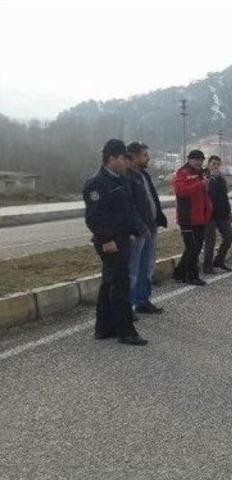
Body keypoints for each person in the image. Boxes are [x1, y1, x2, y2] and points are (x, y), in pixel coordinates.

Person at [82, 139, 148, 346]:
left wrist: (130, 231)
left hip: (122, 238)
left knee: (109, 283)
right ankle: (126, 331)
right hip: (110, 242)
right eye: (122, 158)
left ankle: (103, 328)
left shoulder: (121, 180)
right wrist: (107, 240)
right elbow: (94, 217)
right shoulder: (96, 184)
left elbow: (126, 210)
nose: (124, 162)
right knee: (120, 285)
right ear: (111, 158)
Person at [126, 142, 167, 314]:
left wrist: (159, 216)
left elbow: (152, 198)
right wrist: (138, 227)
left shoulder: (144, 175)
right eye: (144, 155)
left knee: (147, 267)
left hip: (150, 227)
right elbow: (130, 207)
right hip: (137, 231)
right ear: (134, 156)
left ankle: (142, 301)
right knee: (132, 270)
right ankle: (126, 308)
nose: (148, 158)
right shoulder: (127, 177)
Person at [171, 149, 212, 286]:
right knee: (192, 248)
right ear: (189, 159)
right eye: (195, 159)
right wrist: (200, 184)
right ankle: (192, 276)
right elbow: (180, 191)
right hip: (187, 218)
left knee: (195, 247)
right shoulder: (182, 173)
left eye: (201, 159)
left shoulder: (201, 173)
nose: (199, 162)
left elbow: (205, 195)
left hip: (200, 217)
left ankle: (179, 273)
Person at [202, 155, 232, 274]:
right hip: (209, 215)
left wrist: (229, 211)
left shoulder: (221, 179)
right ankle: (207, 266)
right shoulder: (204, 177)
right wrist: (211, 180)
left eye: (217, 164)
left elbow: (225, 197)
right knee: (210, 241)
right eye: (213, 163)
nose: (215, 166)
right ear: (208, 164)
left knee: (229, 237)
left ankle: (219, 260)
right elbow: (205, 193)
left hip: (222, 214)